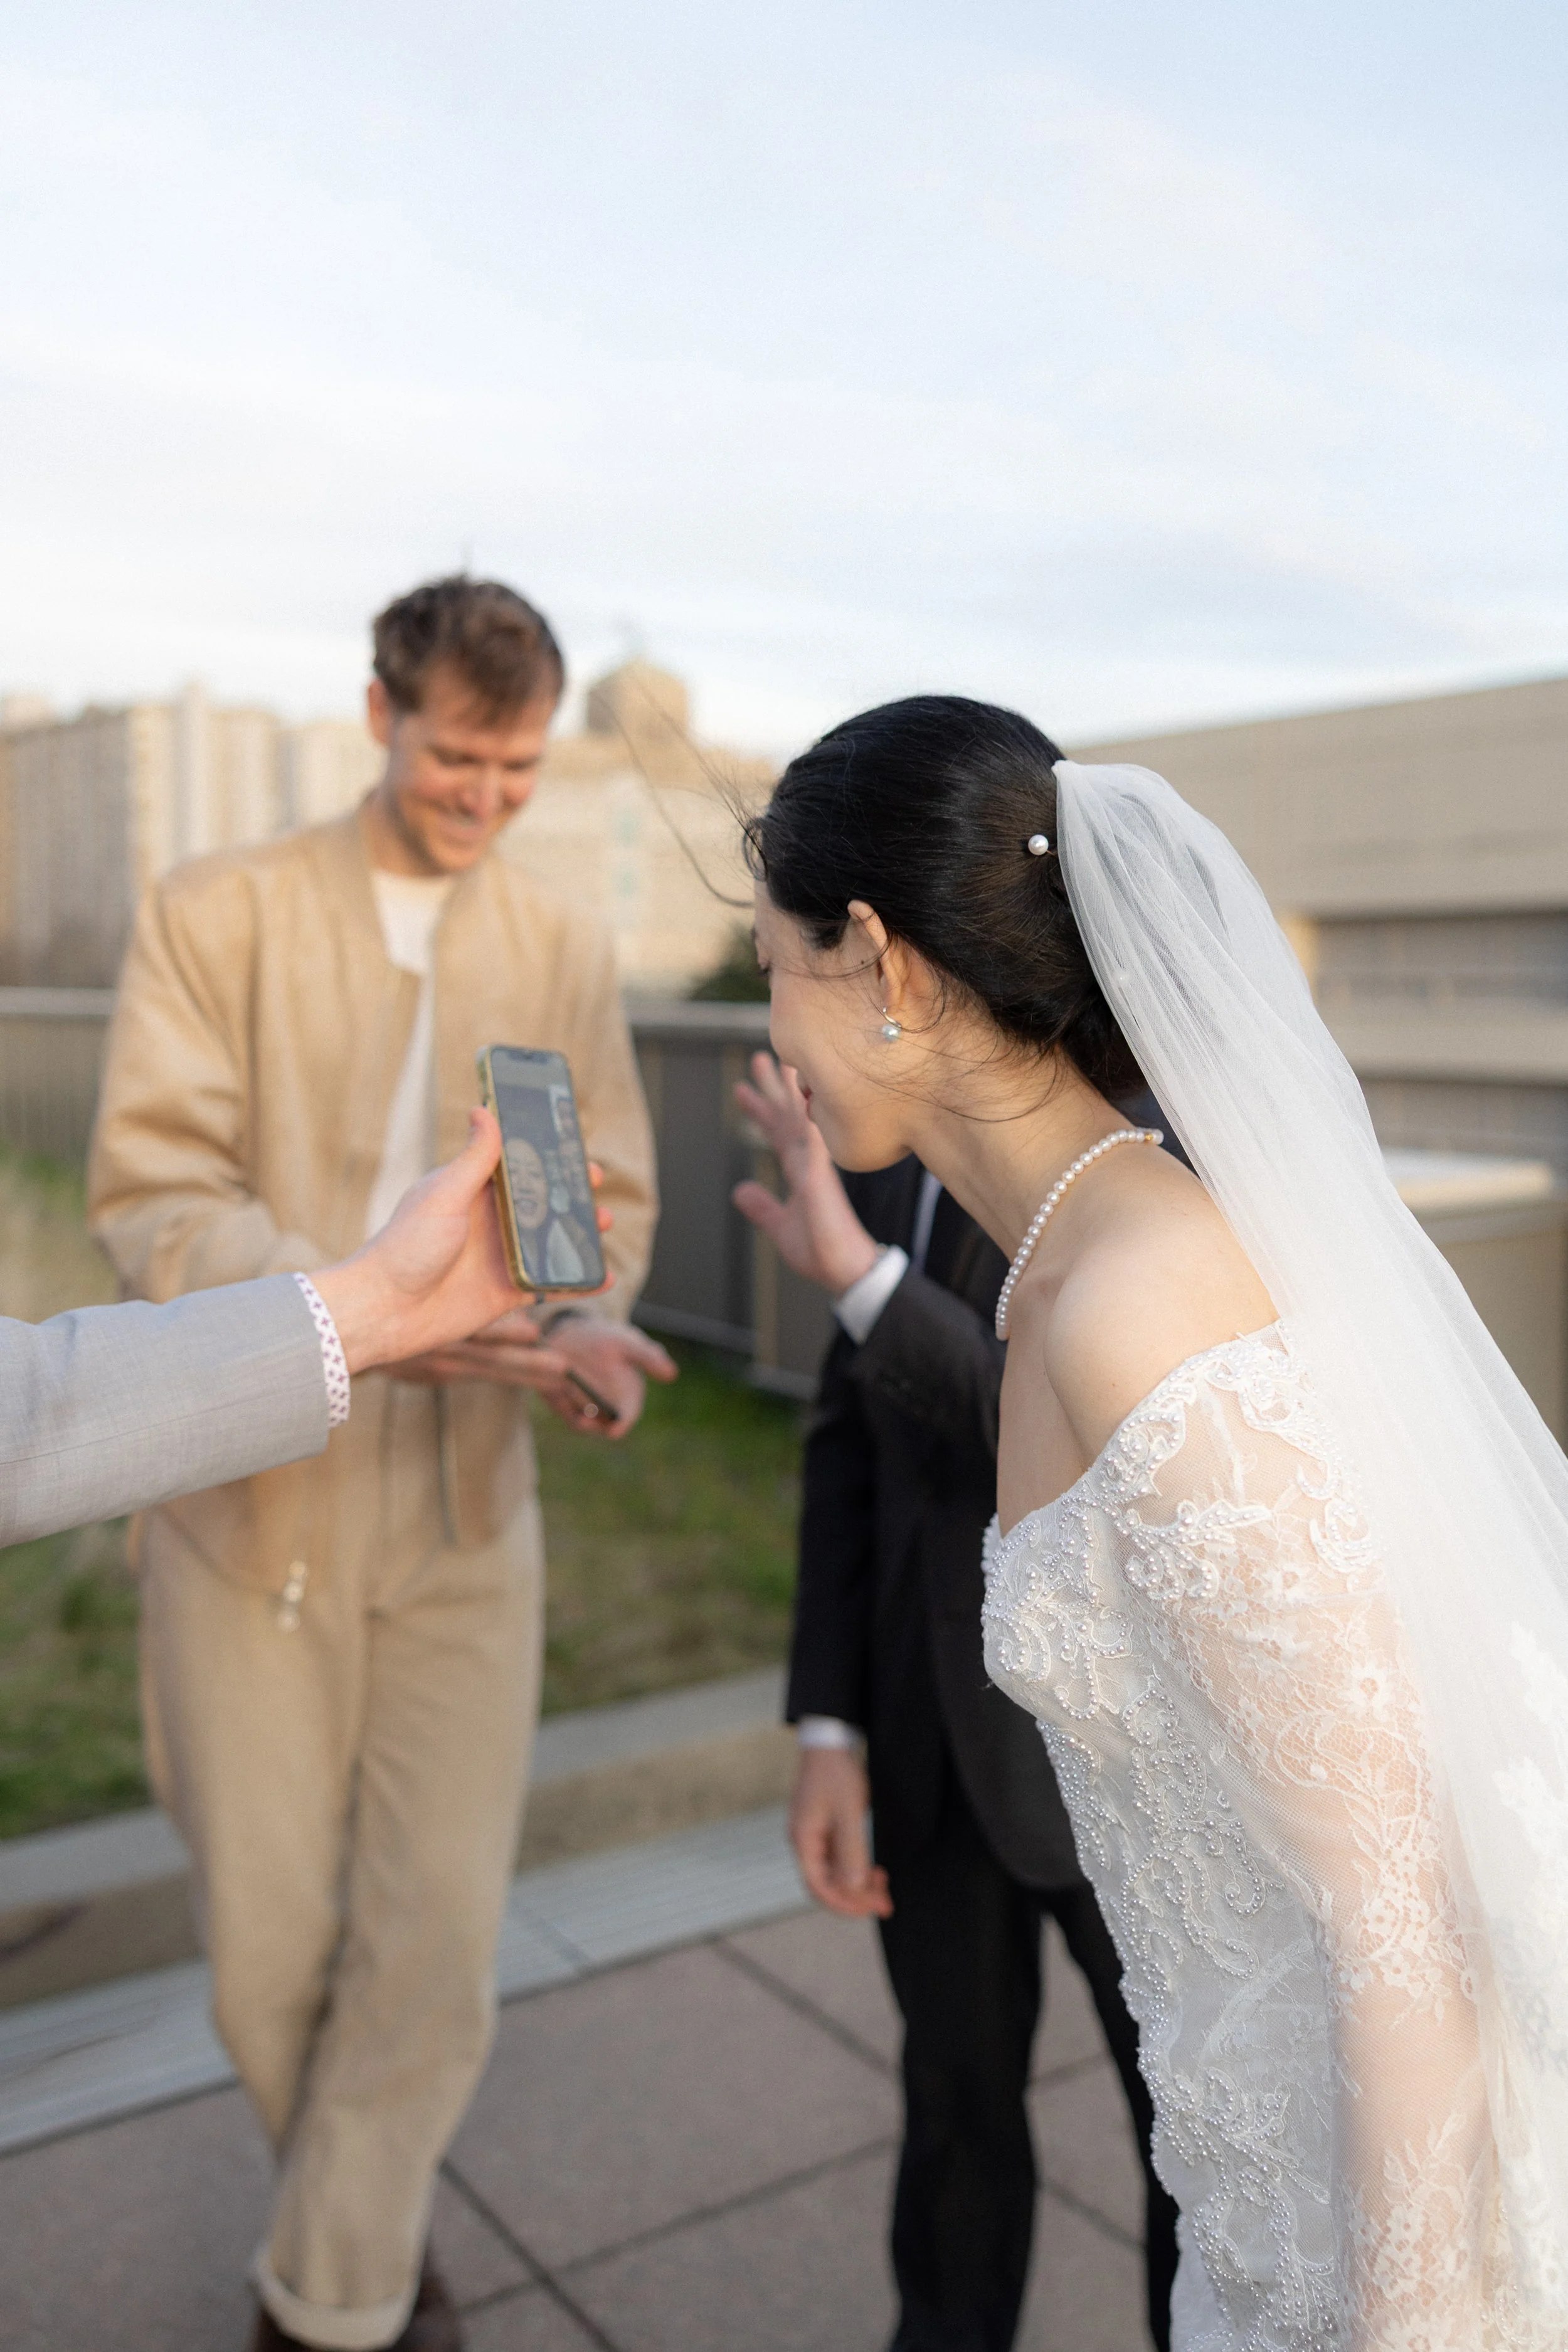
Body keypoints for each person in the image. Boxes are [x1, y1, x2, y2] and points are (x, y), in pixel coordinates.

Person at [746, 693, 1568, 2350]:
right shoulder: (1070, 1253)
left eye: (770, 961)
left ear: (882, 962)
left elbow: (1403, 1904)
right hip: (1250, 2159)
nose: (766, 1023)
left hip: (1374, 2215)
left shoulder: (1133, 1305)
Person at [87, 576, 670, 2352]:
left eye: (517, 764)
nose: (486, 793)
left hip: (472, 1512)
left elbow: (602, 1204)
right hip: (244, 1508)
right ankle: (366, 2239)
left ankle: (335, 2298)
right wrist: (369, 1310)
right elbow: (154, 1195)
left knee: (432, 1944)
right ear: (376, 714)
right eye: (455, 753)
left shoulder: (564, 948)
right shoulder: (214, 911)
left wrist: (578, 1327)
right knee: (270, 1954)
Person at [733, 1054, 1177, 2351]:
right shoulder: (886, 1152)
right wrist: (830, 1729)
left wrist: (863, 1286)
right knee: (950, 2121)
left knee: (1195, 2144)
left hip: (1119, 1773)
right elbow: (847, 1445)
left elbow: (1085, 1430)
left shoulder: (1156, 1158)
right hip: (923, 1740)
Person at [1, 1109, 553, 1547]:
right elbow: (29, 1417)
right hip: (256, 1537)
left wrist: (379, 1307)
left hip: (474, 1515)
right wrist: (374, 1311)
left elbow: (29, 1413)